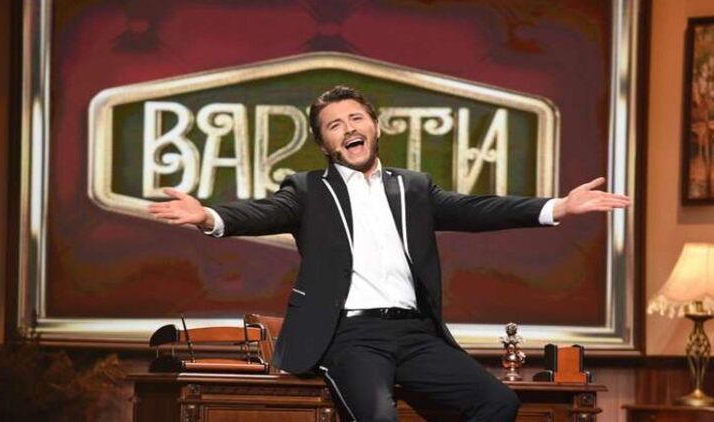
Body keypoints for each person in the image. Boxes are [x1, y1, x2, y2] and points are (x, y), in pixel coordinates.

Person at [148, 85, 630, 422]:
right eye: (335, 125)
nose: (348, 128)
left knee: (498, 404)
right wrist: (208, 216)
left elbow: (476, 209)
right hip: (351, 336)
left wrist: (558, 207)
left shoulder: (413, 188)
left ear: (375, 126)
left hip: (416, 334)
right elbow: (262, 213)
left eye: (356, 118)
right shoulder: (308, 190)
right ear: (323, 143)